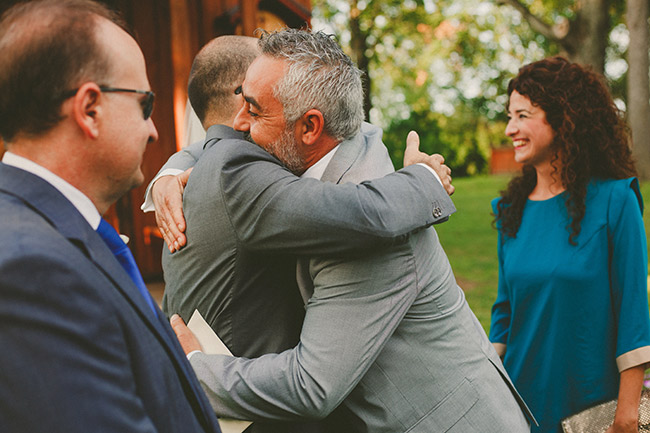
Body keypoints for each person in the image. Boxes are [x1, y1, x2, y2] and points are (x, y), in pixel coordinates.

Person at [166, 28, 533, 432]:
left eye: (253, 111)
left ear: (310, 127)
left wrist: (194, 367)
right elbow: (225, 139)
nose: (239, 123)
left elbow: (310, 386)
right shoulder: (341, 140)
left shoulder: (366, 235)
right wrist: (171, 171)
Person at [0, 1, 221, 432]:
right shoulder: (31, 271)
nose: (153, 130)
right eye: (145, 104)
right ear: (89, 109)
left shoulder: (63, 232)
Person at [490, 56, 650, 433]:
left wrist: (627, 414)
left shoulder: (616, 201)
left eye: (523, 115)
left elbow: (633, 313)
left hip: (592, 413)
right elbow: (504, 315)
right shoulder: (510, 211)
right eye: (510, 116)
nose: (511, 128)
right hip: (518, 410)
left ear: (563, 118)